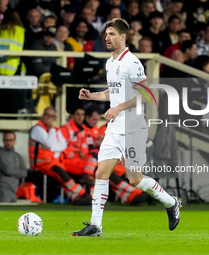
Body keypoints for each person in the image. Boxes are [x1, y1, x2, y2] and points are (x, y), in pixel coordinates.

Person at [72, 18, 181, 237]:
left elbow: (146, 95)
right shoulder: (110, 62)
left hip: (133, 128)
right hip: (114, 128)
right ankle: (95, 225)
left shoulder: (132, 62)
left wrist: (120, 107)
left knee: (135, 179)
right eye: (106, 34)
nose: (107, 38)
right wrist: (93, 95)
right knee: (101, 173)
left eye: (111, 34)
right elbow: (113, 92)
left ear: (123, 37)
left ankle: (171, 202)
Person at [28, 106, 92, 205]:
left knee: (62, 174)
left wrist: (52, 146)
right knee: (60, 173)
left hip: (54, 161)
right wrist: (51, 132)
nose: (50, 118)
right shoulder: (37, 129)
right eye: (48, 115)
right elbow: (50, 143)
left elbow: (63, 145)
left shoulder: (55, 129)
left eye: (52, 116)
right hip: (41, 164)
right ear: (43, 115)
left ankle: (76, 197)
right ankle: (83, 194)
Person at [0, 131, 28, 202]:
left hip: (13, 191)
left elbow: (24, 173)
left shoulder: (18, 156)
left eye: (10, 140)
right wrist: (17, 172)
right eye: (6, 140)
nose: (8, 142)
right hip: (2, 189)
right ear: (3, 141)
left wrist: (12, 171)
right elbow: (8, 170)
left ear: (15, 141)